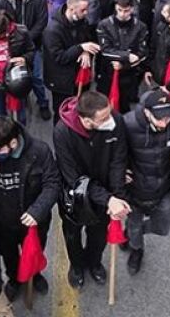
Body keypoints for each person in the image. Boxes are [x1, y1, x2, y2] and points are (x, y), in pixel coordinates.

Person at [0, 116, 60, 298]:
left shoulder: (39, 151)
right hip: (0, 221)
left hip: (32, 221)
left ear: (13, 143)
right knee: (9, 256)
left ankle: (34, 275)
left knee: (34, 251)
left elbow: (52, 184)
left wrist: (37, 211)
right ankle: (15, 279)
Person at [53, 90, 130, 289]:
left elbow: (118, 160)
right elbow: (73, 178)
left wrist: (117, 198)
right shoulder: (62, 132)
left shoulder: (116, 121)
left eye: (110, 113)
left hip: (105, 194)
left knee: (98, 236)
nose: (110, 119)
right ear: (86, 121)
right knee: (72, 235)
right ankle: (77, 266)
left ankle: (94, 263)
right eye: (104, 118)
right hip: (75, 196)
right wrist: (108, 199)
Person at [122, 88, 170, 275]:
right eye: (160, 118)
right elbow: (117, 153)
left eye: (168, 117)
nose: (165, 123)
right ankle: (136, 249)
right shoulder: (128, 123)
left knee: (163, 226)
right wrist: (120, 173)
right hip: (135, 188)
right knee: (134, 222)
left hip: (163, 185)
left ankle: (133, 233)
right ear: (146, 111)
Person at [0, 0, 51, 121]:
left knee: (37, 78)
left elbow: (42, 22)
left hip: (33, 45)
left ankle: (42, 103)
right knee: (15, 79)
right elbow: (2, 23)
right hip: (12, 47)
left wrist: (27, 38)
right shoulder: (4, 1)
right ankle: (20, 105)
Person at [43, 0, 100, 120]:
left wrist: (85, 51)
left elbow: (89, 40)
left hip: (78, 78)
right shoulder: (52, 30)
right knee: (63, 115)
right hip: (61, 84)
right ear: (71, 9)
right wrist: (81, 48)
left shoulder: (82, 22)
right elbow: (59, 57)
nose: (86, 13)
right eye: (83, 10)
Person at [95, 0, 149, 114]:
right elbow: (105, 50)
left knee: (125, 107)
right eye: (119, 10)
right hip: (107, 72)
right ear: (115, 8)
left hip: (128, 74)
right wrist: (127, 56)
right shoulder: (104, 25)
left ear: (132, 9)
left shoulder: (140, 27)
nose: (122, 14)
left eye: (126, 11)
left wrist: (124, 64)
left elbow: (142, 53)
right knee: (103, 106)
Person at [0, 12, 34, 123]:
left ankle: (19, 138)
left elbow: (31, 50)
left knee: (20, 118)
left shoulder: (21, 32)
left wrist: (25, 59)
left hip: (16, 81)